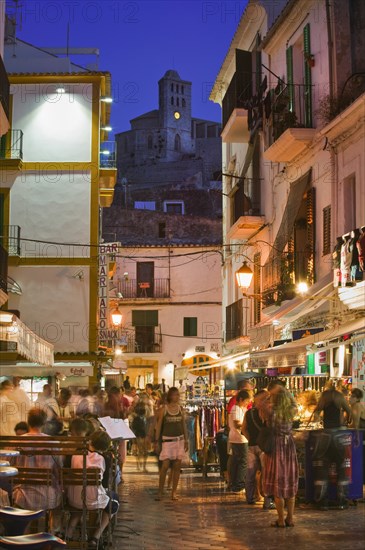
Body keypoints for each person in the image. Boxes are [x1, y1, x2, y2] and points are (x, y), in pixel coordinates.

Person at [66, 430, 119, 547]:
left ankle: (68, 535)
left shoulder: (74, 454)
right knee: (114, 500)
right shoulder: (104, 458)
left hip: (73, 498)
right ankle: (96, 536)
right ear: (105, 447)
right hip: (93, 500)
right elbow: (104, 485)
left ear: (90, 441)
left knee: (79, 506)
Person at [13, 409, 62, 523]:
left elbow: (8, 466)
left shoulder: (18, 441)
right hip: (48, 496)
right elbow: (58, 469)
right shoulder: (53, 443)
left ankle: (24, 534)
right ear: (44, 423)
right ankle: (52, 530)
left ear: (28, 422)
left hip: (22, 495)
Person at [311, 383, 352, 507]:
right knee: (342, 467)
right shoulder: (339, 397)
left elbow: (316, 414)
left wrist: (318, 421)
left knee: (322, 469)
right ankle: (341, 500)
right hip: (339, 435)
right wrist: (347, 422)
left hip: (325, 435)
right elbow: (349, 411)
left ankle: (322, 501)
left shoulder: (324, 397)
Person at [263, 389, 298, 528]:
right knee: (289, 483)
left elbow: (263, 406)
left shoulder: (271, 412)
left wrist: (270, 397)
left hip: (276, 448)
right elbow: (294, 404)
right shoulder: (292, 412)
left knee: (278, 482)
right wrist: (288, 395)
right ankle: (290, 518)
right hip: (289, 446)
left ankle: (281, 520)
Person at [154, 387, 188, 501]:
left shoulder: (180, 409)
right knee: (165, 466)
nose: (177, 397)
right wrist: (156, 441)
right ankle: (160, 491)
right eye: (174, 395)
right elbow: (158, 426)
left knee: (177, 466)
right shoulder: (164, 409)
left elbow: (183, 425)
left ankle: (174, 492)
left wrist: (186, 440)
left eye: (178, 395)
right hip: (167, 440)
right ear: (170, 396)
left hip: (179, 440)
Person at [242, 390, 273, 508]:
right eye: (267, 398)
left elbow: (244, 428)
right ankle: (267, 501)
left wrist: (250, 439)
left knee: (250, 473)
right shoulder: (267, 412)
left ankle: (249, 498)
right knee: (266, 473)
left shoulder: (248, 413)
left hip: (251, 446)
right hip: (264, 447)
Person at [228, 389, 251, 493]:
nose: (247, 403)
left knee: (236, 462)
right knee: (242, 462)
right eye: (246, 401)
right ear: (241, 399)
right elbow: (237, 424)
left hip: (238, 438)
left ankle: (234, 484)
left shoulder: (240, 408)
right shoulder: (236, 409)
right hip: (239, 439)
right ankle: (239, 485)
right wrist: (247, 425)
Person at [131, 403, 148, 472]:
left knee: (143, 451)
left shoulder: (142, 418)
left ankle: (141, 465)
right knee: (141, 451)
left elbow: (133, 427)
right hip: (140, 435)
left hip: (141, 435)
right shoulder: (140, 419)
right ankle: (141, 465)